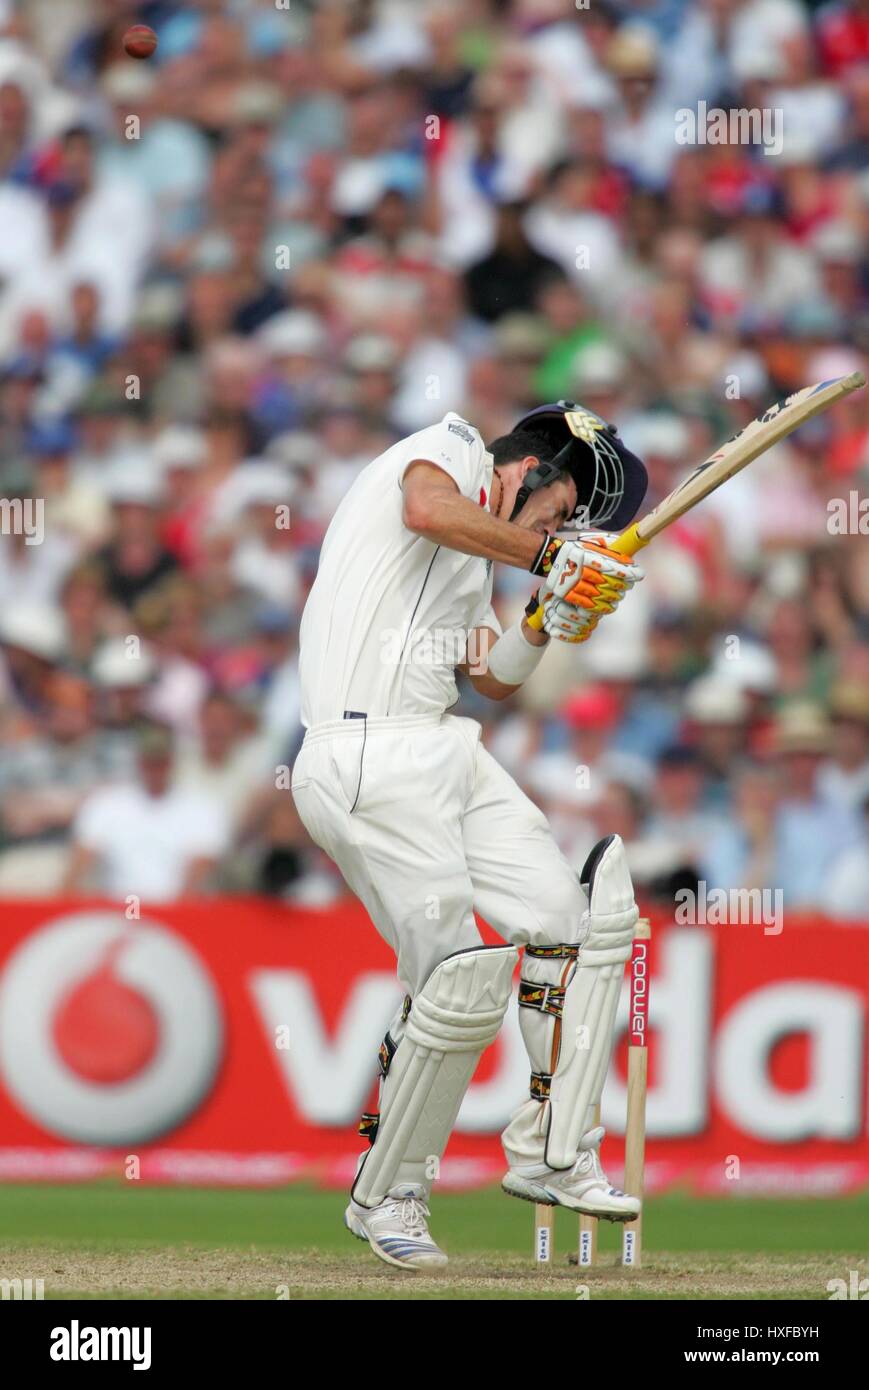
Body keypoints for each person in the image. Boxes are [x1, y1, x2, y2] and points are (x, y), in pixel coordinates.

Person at [292, 400, 648, 1269]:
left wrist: (549, 618)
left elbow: (488, 678)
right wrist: (548, 553)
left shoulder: (469, 564)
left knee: (567, 922)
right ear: (530, 470)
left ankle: (553, 1150)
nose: (560, 527)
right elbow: (426, 508)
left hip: (445, 746)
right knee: (459, 981)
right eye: (561, 511)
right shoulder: (444, 451)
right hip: (364, 748)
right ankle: (392, 1194)